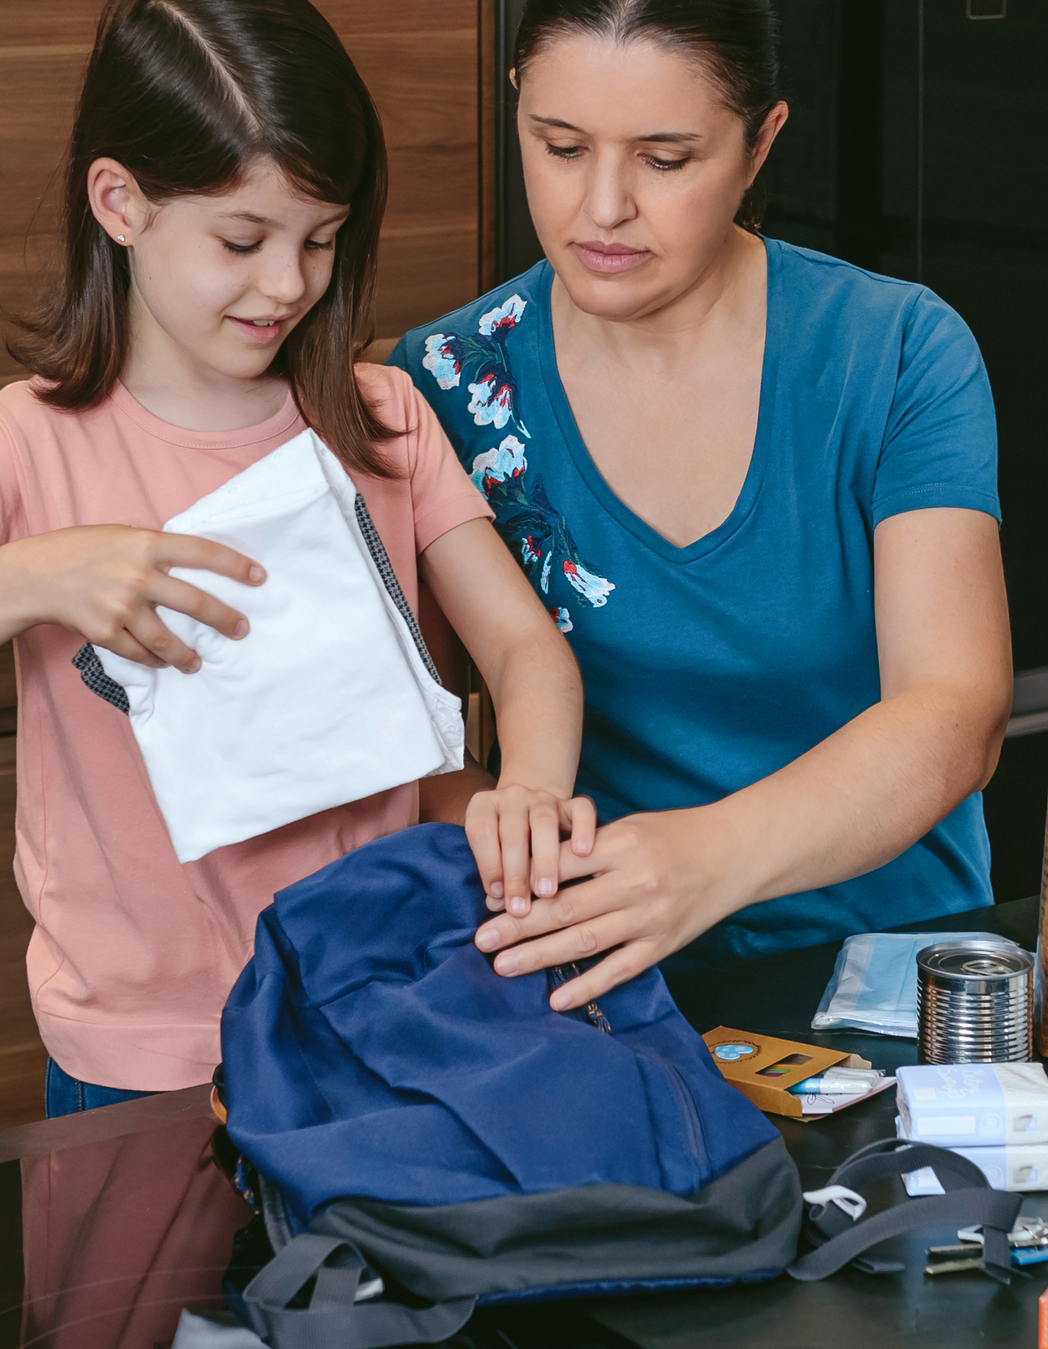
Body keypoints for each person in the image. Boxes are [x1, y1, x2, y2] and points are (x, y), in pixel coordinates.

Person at [0, 0, 590, 1115]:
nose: (287, 284)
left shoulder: (384, 419)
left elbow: (524, 650)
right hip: (140, 1051)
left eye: (319, 239)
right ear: (119, 203)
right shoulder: (21, 442)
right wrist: (30, 575)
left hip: (379, 1003)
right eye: (241, 241)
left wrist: (529, 790)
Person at [390, 0, 1013, 1011]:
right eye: (560, 147)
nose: (601, 207)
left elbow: (954, 710)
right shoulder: (445, 383)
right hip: (604, 984)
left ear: (760, 143)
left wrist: (700, 861)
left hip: (892, 979)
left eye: (664, 159)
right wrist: (522, 843)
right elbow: (410, 749)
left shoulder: (892, 350)